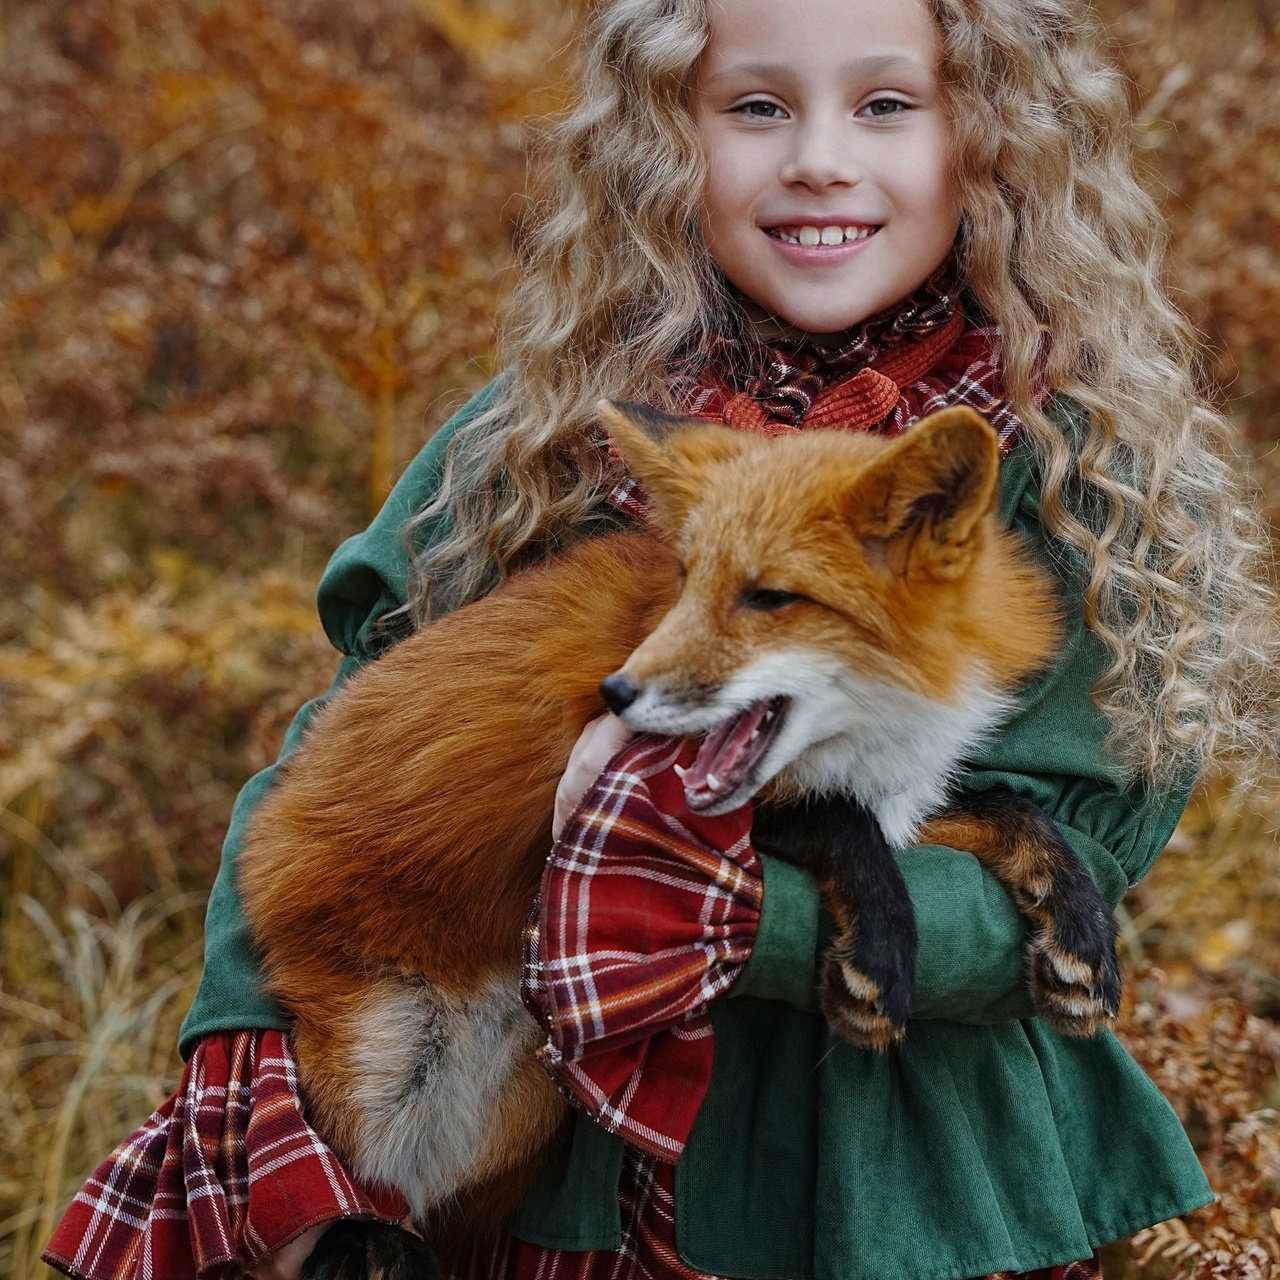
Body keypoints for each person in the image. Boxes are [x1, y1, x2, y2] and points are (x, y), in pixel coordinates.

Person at [45, 0, 1275, 1278]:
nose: (816, 159)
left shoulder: (1087, 477)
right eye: (753, 106)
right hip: (563, 1162)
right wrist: (256, 1062)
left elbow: (1057, 868)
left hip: (908, 1178)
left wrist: (711, 907)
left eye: (886, 104)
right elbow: (338, 747)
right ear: (659, 138)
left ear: (998, 133)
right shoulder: (550, 427)